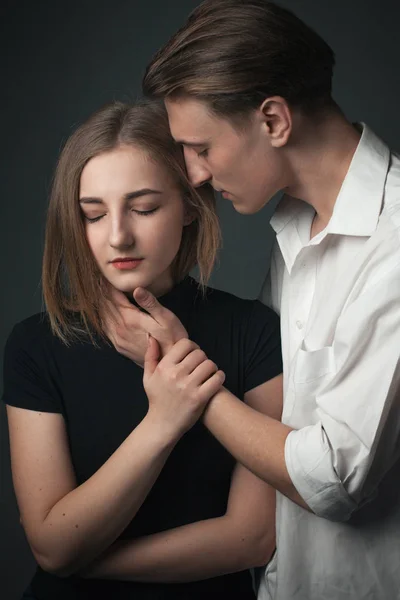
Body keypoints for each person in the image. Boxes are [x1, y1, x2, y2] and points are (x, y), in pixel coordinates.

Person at [100, 1, 400, 599]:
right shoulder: (296, 227)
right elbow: (273, 412)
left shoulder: (393, 247)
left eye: (201, 147)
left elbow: (336, 480)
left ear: (273, 121)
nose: (194, 174)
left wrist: (187, 378)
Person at [2, 100, 284, 600]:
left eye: (145, 208)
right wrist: (165, 419)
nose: (117, 236)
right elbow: (51, 545)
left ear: (190, 207)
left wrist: (87, 564)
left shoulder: (255, 332)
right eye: (93, 215)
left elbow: (252, 538)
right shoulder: (35, 345)